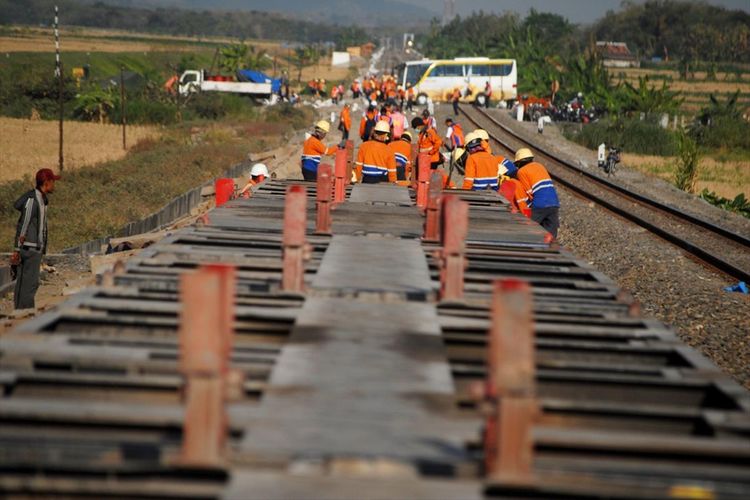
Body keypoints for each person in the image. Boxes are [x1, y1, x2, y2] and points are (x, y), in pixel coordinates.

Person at [12, 168, 61, 310]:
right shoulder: (33, 200)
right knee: (27, 284)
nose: (54, 185)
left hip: (35, 248)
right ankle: (23, 315)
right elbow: (24, 224)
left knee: (29, 283)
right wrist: (17, 249)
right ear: (46, 182)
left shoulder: (42, 200)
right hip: (29, 248)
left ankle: (24, 313)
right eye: (53, 182)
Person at [513, 148, 560, 238]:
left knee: (529, 230)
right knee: (551, 236)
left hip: (540, 204)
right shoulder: (540, 166)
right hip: (554, 202)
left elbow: (530, 193)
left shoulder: (521, 171)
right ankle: (551, 250)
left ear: (519, 162)